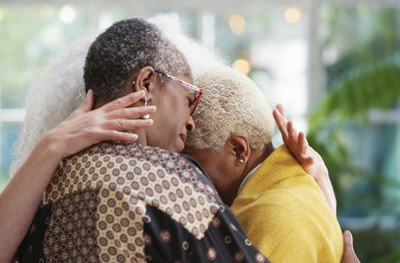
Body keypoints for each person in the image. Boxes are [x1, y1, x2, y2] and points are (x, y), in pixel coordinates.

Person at [0, 15, 359, 262]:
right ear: (146, 85)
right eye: (189, 97)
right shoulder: (172, 180)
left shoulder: (45, 187)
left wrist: (50, 146)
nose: (190, 121)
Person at [184, 65, 343, 262]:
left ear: (238, 150)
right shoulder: (297, 186)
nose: (190, 179)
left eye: (194, 166)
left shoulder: (274, 216)